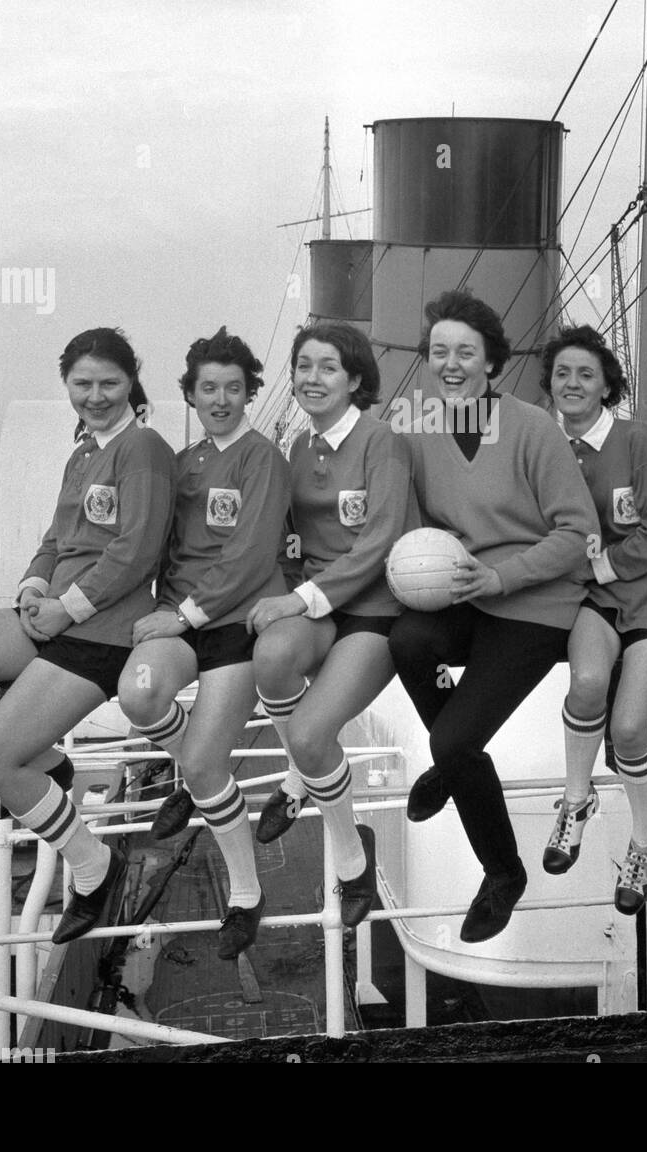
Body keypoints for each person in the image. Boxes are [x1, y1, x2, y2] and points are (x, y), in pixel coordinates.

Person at [0, 328, 176, 942]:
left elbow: (137, 552)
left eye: (109, 382)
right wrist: (32, 587)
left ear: (132, 381)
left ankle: (93, 864)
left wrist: (66, 610)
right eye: (82, 383)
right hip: (52, 614)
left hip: (100, 634)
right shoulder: (82, 451)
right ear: (67, 386)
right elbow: (57, 540)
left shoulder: (144, 449)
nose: (96, 395)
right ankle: (48, 762)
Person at [389, 289, 597, 944]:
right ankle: (453, 765)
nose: (451, 364)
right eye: (440, 352)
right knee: (407, 639)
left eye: (466, 352)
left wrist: (505, 574)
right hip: (465, 597)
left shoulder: (532, 428)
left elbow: (578, 533)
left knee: (452, 742)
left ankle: (503, 872)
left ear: (491, 363)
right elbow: (408, 526)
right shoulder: (418, 433)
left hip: (535, 603)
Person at [116, 329, 289, 960]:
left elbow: (249, 556)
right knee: (137, 695)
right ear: (189, 394)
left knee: (208, 767)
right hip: (180, 620)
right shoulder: (183, 464)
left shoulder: (263, 458)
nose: (221, 399)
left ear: (249, 393)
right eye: (208, 388)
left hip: (235, 623)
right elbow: (153, 542)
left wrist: (181, 614)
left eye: (233, 388)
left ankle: (245, 894)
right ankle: (192, 772)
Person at [245, 322, 415, 928]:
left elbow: (382, 539)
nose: (311, 378)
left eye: (327, 367)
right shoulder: (301, 447)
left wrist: (305, 598)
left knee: (315, 736)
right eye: (303, 366)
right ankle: (300, 776)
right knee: (270, 658)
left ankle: (350, 854)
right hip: (319, 601)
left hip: (374, 608)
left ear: (355, 380)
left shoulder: (381, 442)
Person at [539, 326, 647, 915]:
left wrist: (600, 567)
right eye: (561, 374)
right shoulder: (545, 444)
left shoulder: (636, 440)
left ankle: (646, 839)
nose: (572, 384)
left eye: (585, 374)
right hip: (593, 599)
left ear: (607, 384)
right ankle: (576, 802)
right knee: (586, 685)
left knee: (629, 729)